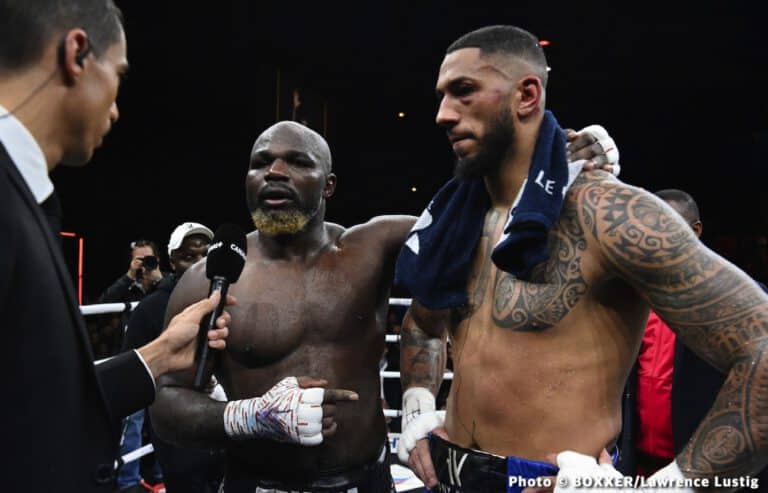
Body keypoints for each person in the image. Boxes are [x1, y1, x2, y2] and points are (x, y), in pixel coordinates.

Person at [150, 120, 618, 493]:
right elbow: (165, 406)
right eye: (261, 163)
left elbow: (484, 225)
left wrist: (565, 168)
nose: (275, 172)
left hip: (366, 480)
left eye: (297, 162)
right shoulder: (209, 278)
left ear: (329, 185)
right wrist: (251, 416)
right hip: (255, 482)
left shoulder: (370, 247)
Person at [396, 25, 768, 493]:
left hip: (553, 480)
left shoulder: (609, 217)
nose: (442, 115)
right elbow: (423, 324)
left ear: (526, 95)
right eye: (441, 96)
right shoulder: (457, 218)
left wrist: (668, 488)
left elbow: (762, 347)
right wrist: (414, 410)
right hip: (448, 474)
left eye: (463, 92)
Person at [0, 1, 233, 491]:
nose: (116, 105)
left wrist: (160, 355)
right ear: (77, 53)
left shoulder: (27, 198)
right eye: (119, 75)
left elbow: (32, 406)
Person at [618, 189, 768, 485]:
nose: (654, 238)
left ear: (695, 231)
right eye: (646, 228)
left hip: (701, 470)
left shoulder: (735, 299)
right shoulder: (631, 301)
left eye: (666, 225)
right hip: (639, 467)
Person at [121, 222, 226, 493]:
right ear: (172, 260)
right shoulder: (150, 308)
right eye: (189, 256)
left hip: (221, 423)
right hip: (175, 424)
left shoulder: (227, 299)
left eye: (205, 255)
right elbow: (131, 372)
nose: (199, 264)